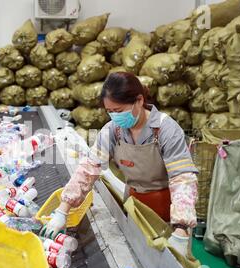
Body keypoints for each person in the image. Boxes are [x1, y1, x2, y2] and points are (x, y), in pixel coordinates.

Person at [41, 72, 199, 256]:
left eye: (119, 110)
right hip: (134, 205)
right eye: (110, 111)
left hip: (167, 213)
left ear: (139, 101)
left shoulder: (166, 130)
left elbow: (182, 179)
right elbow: (89, 168)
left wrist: (181, 229)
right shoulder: (113, 131)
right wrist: (63, 210)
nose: (115, 116)